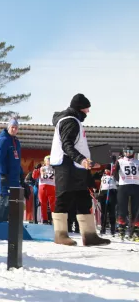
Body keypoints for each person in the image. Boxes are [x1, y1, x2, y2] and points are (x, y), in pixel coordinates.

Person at [50, 93, 109, 246]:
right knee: (63, 199)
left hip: (76, 167)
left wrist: (89, 162)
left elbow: (76, 145)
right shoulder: (70, 121)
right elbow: (67, 145)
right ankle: (60, 235)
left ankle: (89, 236)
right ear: (79, 108)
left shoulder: (74, 120)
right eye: (86, 109)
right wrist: (82, 160)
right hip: (66, 166)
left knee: (84, 199)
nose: (87, 112)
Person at [0, 119, 22, 222]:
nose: (14, 129)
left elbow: (17, 160)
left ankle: (5, 222)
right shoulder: (4, 140)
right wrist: (2, 174)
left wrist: (21, 175)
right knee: (4, 198)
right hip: (5, 176)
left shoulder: (16, 141)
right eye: (12, 127)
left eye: (16, 128)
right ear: (8, 127)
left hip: (14, 177)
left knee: (11, 200)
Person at [116, 145, 139, 240]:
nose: (128, 153)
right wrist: (120, 181)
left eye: (130, 151)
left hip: (136, 186)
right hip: (124, 186)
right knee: (122, 209)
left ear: (133, 152)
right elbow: (114, 174)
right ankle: (122, 229)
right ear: (124, 152)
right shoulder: (120, 161)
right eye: (126, 151)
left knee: (136, 210)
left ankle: (135, 231)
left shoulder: (137, 162)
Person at [32, 156, 56, 224]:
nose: (49, 161)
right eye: (48, 160)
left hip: (48, 187)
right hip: (47, 187)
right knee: (45, 204)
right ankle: (46, 219)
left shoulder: (52, 168)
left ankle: (51, 219)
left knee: (49, 204)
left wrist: (36, 169)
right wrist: (36, 169)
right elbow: (34, 176)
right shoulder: (43, 168)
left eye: (50, 160)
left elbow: (34, 176)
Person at [98, 167, 118, 236]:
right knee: (104, 212)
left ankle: (113, 229)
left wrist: (113, 172)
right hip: (104, 193)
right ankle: (103, 228)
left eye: (108, 169)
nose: (106, 171)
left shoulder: (114, 176)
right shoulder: (103, 176)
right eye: (106, 169)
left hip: (112, 192)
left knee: (112, 212)